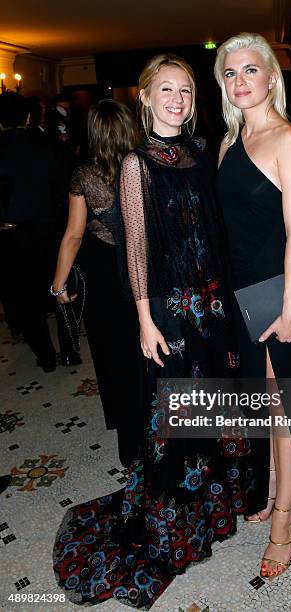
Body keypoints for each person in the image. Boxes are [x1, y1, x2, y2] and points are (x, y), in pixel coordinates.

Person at [53, 56, 247, 609]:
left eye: (186, 90)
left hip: (210, 304)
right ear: (146, 97)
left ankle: (215, 505)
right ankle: (176, 516)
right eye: (167, 89)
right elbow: (135, 248)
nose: (178, 99)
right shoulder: (135, 165)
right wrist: (143, 317)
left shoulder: (201, 151)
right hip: (169, 307)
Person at [215, 33, 291, 579]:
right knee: (265, 403)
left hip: (278, 289)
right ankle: (277, 494)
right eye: (230, 73)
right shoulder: (226, 144)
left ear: (270, 78)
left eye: (249, 70)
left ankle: (287, 516)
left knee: (284, 409)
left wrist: (289, 309)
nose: (240, 81)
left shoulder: (289, 139)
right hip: (240, 290)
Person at [51, 99, 142, 465]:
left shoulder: (84, 175)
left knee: (111, 356)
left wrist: (58, 286)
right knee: (148, 353)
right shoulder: (145, 165)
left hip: (104, 277)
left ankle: (130, 443)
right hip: (143, 268)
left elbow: (73, 236)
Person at [0, 92, 72, 371]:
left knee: (25, 299)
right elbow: (64, 190)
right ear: (29, 117)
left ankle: (46, 356)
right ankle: (69, 350)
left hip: (10, 235)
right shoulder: (49, 145)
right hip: (49, 231)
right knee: (58, 288)